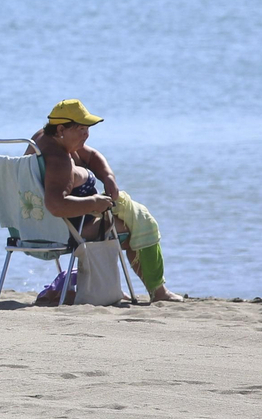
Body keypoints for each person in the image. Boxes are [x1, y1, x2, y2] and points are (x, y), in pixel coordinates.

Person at [29, 99, 183, 302]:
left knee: (133, 218)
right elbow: (56, 205)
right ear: (61, 129)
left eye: (87, 128)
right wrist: (94, 202)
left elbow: (91, 156)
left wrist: (108, 177)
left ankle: (108, 285)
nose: (86, 134)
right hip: (66, 230)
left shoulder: (43, 139)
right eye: (81, 129)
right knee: (135, 228)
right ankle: (157, 291)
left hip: (35, 226)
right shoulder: (59, 160)